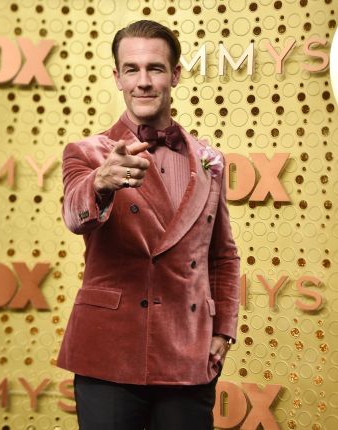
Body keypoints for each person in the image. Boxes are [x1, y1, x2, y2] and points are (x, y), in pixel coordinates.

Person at [58, 19, 240, 430]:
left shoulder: (210, 160)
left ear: (175, 75)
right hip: (109, 350)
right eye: (132, 70)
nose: (143, 81)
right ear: (117, 78)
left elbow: (222, 256)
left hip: (187, 352)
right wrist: (100, 183)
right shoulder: (88, 153)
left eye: (155, 68)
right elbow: (73, 215)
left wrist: (223, 330)